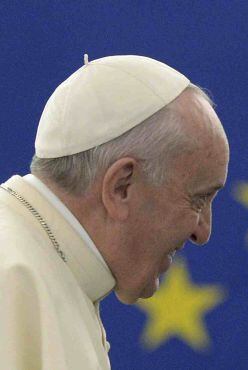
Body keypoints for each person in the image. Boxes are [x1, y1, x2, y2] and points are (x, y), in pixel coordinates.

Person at [0, 55, 229, 369]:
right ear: (122, 186)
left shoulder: (47, 267)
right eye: (199, 199)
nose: (203, 232)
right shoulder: (11, 279)